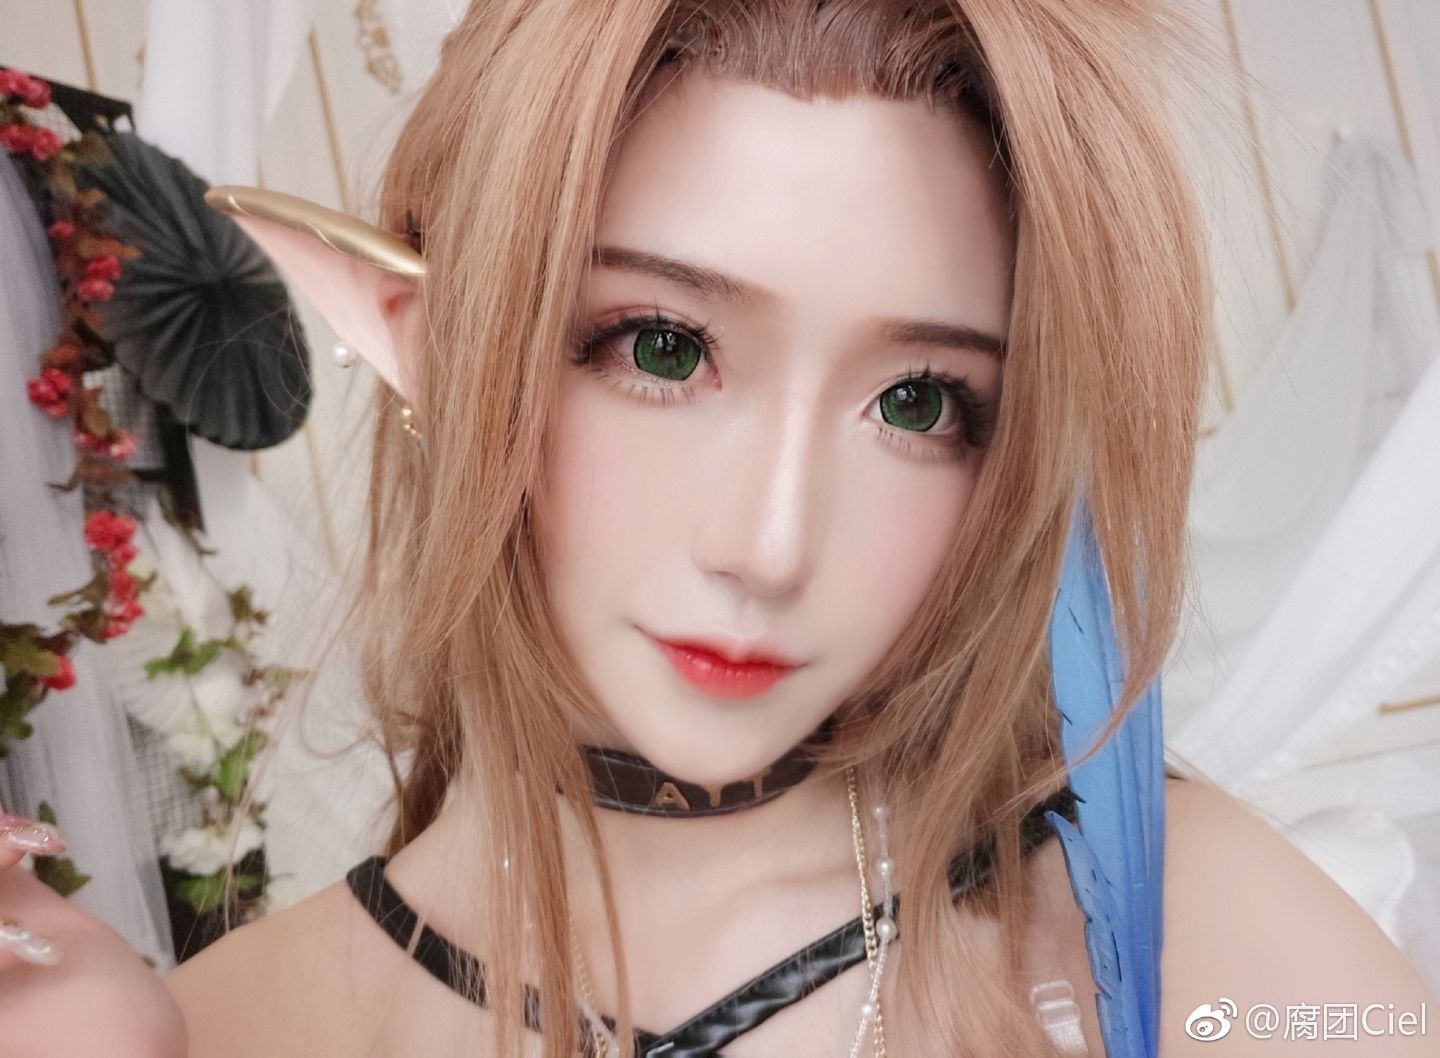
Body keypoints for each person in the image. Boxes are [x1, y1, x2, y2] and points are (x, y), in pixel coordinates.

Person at [1, 1, 1436, 1055]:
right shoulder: (234, 1027)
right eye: (664, 348)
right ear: (427, 337)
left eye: (920, 402)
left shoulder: (1204, 949)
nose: (771, 543)